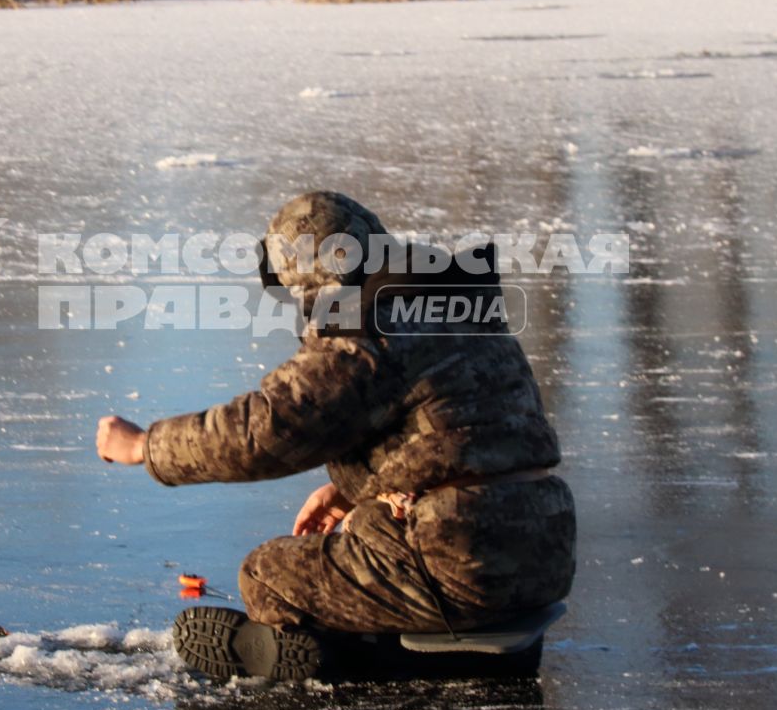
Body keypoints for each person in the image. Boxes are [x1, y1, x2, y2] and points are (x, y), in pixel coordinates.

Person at [96, 191, 575, 680]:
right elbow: (467, 438)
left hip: (458, 561)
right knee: (370, 525)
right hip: (546, 553)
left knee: (267, 574)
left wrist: (143, 446)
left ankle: (360, 657)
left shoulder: (368, 322)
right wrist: (353, 488)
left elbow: (270, 428)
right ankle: (479, 639)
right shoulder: (460, 309)